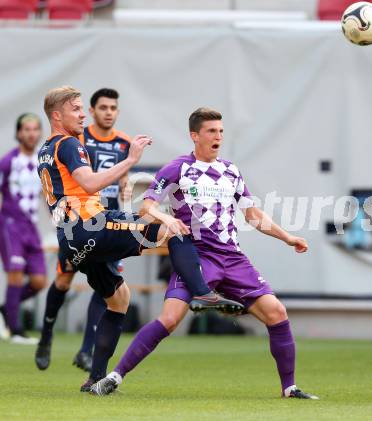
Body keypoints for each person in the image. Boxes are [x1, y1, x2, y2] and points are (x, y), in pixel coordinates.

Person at [91, 107, 318, 400]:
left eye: (221, 131)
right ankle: (114, 377)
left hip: (233, 258)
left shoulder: (231, 170)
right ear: (195, 135)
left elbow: (251, 214)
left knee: (276, 312)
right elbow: (146, 206)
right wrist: (167, 218)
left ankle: (290, 388)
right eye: (212, 131)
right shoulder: (178, 168)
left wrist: (287, 237)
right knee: (170, 319)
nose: (218, 137)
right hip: (196, 258)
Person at [36, 87, 243, 392]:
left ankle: (95, 379)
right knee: (172, 229)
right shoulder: (68, 143)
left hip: (71, 239)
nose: (83, 114)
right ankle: (201, 292)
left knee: (119, 300)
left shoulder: (46, 147)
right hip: (91, 226)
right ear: (57, 116)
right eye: (77, 109)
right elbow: (90, 182)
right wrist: (131, 159)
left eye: (82, 109)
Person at [35, 88, 131, 373]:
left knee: (107, 286)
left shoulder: (124, 143)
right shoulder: (75, 139)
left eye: (113, 107)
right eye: (103, 107)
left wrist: (124, 190)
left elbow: (120, 182)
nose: (109, 112)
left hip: (106, 221)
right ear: (92, 111)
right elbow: (64, 182)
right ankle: (46, 335)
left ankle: (87, 350)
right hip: (78, 225)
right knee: (64, 281)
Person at [0, 113, 47, 344]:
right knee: (15, 277)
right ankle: (15, 328)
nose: (31, 133)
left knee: (39, 281)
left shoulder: (42, 161)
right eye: (26, 129)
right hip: (10, 224)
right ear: (19, 133)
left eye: (35, 129)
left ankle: (6, 309)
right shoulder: (8, 161)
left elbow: (47, 195)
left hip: (31, 225)